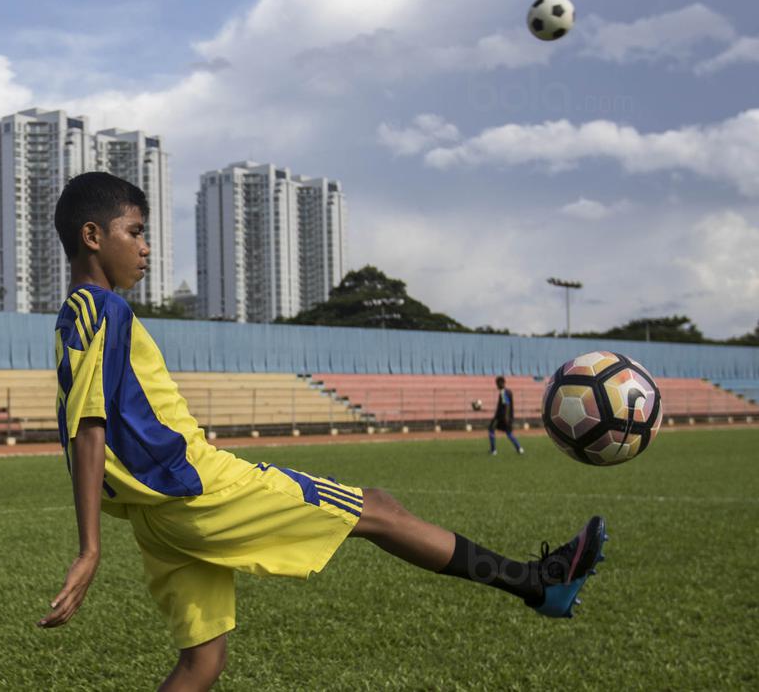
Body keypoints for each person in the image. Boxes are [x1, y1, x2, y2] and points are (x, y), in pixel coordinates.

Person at [38, 172, 607, 690]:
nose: (146, 247)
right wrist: (90, 549)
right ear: (93, 236)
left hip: (157, 511)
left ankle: (541, 586)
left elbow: (105, 416)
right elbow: (88, 425)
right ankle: (538, 584)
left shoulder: (78, 314)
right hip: (193, 489)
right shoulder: (103, 309)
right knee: (377, 508)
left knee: (202, 662)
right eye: (135, 232)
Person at [489, 376, 525, 456]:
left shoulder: (503, 392)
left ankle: (493, 450)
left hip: (501, 417)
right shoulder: (508, 391)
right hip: (506, 417)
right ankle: (519, 448)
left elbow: (507, 405)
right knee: (508, 433)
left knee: (491, 429)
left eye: (497, 384)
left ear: (501, 383)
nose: (497, 386)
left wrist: (506, 417)